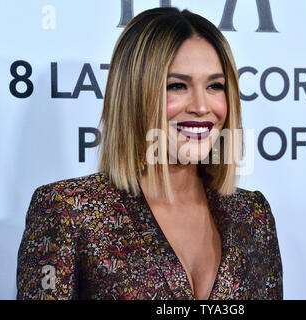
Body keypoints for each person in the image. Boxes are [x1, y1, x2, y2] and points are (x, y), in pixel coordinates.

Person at [16, 6, 283, 300]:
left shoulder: (252, 215)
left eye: (215, 86)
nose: (201, 106)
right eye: (177, 85)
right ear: (135, 94)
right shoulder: (69, 212)